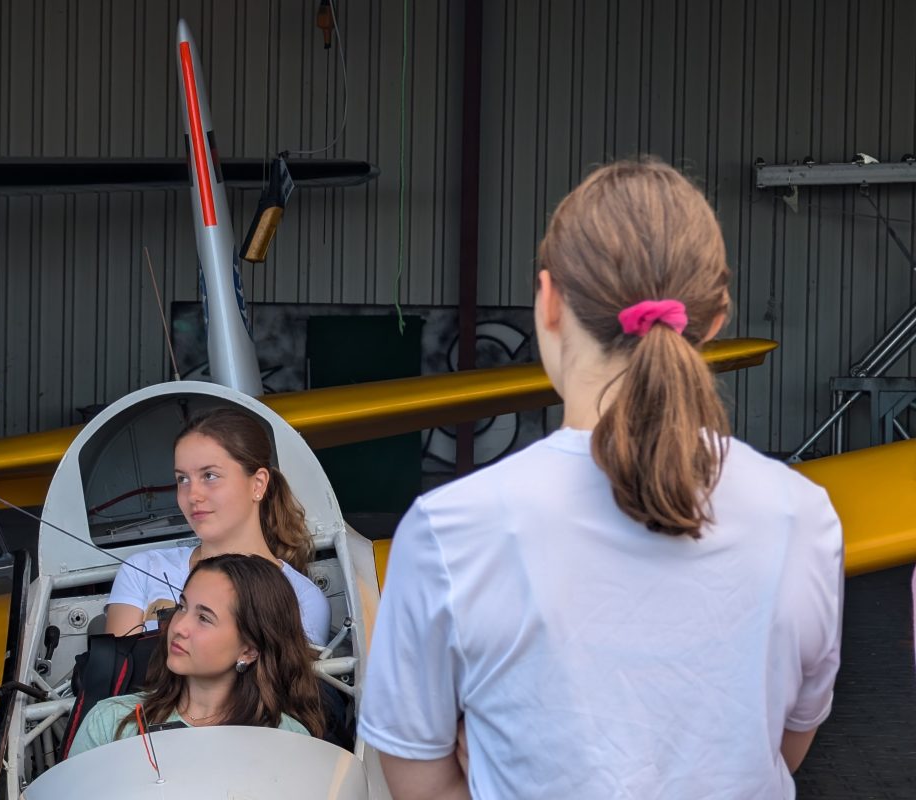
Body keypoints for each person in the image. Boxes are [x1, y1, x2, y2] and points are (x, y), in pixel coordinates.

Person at [359, 158, 844, 799]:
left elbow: (417, 782)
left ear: (550, 301)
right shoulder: (802, 515)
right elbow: (783, 743)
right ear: (717, 319)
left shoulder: (450, 529)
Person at [104, 408, 331, 645]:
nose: (193, 495)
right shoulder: (142, 569)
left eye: (210, 476)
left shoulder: (303, 598)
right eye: (182, 479)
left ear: (258, 484)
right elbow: (118, 674)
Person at [71, 554, 324, 756]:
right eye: (182, 607)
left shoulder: (289, 741)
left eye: (204, 618)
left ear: (249, 650)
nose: (177, 626)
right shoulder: (110, 722)